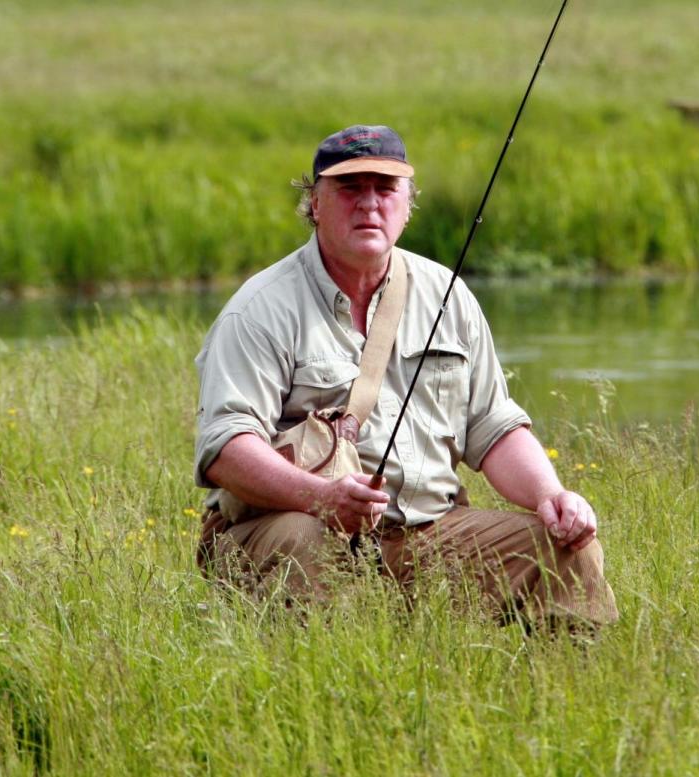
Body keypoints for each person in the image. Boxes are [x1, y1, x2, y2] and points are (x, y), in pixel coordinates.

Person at [193, 125, 617, 626]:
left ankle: (556, 694)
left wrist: (553, 496)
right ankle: (326, 691)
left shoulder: (448, 295)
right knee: (308, 542)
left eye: (385, 188)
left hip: (427, 533)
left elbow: (494, 428)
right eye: (350, 188)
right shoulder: (261, 309)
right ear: (315, 204)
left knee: (565, 546)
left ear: (407, 204)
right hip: (288, 528)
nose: (369, 204)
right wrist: (321, 499)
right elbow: (226, 447)